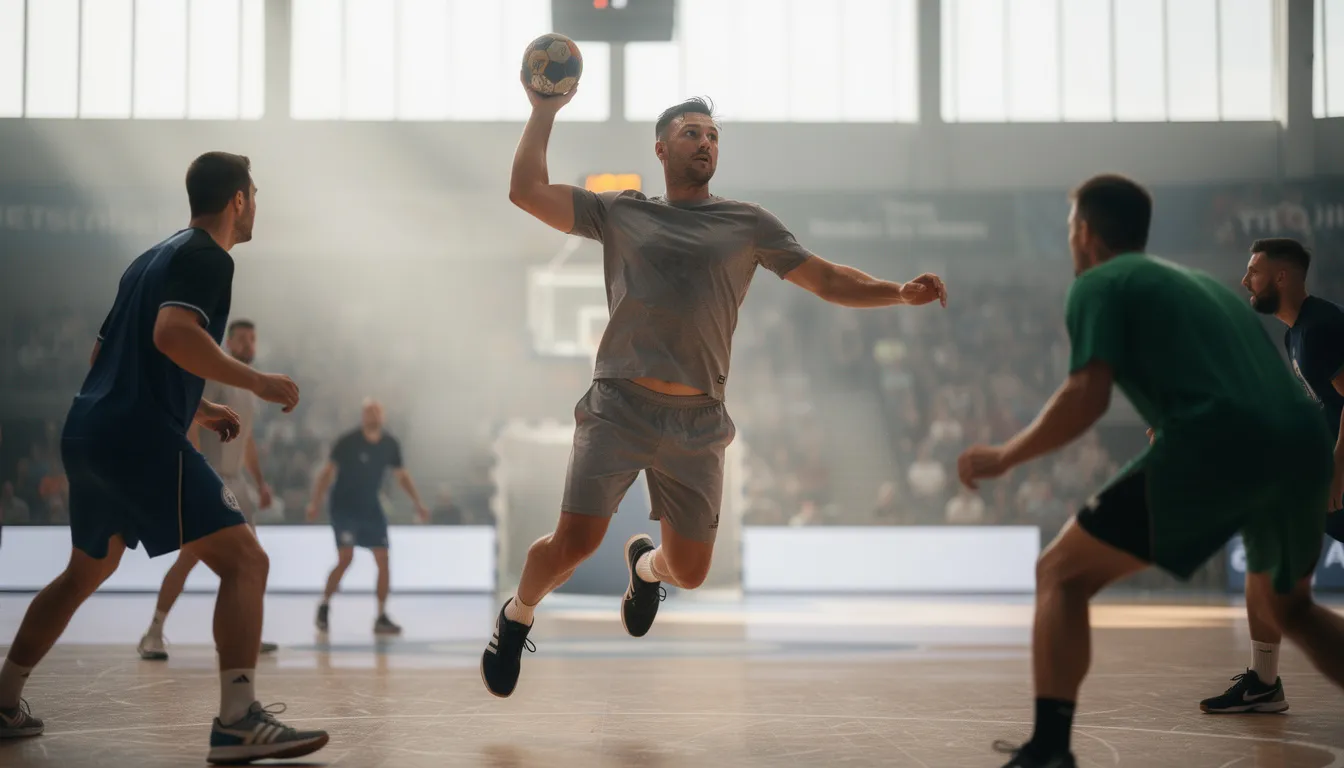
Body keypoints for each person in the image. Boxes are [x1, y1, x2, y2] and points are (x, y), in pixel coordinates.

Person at [481, 83, 947, 699]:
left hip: (698, 418)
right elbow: (526, 191)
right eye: (692, 132)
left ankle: (646, 570)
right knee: (576, 542)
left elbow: (829, 279)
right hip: (619, 405)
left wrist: (897, 291)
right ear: (661, 147)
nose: (705, 142)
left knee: (692, 573)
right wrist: (543, 110)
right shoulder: (621, 211)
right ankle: (516, 617)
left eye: (713, 135)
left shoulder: (748, 223)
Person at [957, 174, 1344, 768]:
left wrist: (1006, 455)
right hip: (1300, 449)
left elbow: (1086, 396)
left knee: (1059, 574)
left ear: (1084, 233)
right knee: (1292, 610)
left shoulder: (1098, 284)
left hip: (1223, 446)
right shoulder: (1200, 288)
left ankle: (1050, 751)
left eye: (1069, 229)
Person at [0, 152, 329, 764]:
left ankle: (3, 699)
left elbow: (110, 358)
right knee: (246, 562)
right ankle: (237, 720)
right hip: (139, 438)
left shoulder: (148, 259)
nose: (256, 205)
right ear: (237, 200)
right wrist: (254, 383)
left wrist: (199, 407)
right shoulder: (209, 257)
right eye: (254, 194)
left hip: (90, 432)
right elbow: (173, 335)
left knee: (84, 573)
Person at [1192, 238, 1344, 714]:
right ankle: (1263, 681)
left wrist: (1339, 466)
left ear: (1282, 277)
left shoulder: (1320, 326)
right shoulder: (1294, 333)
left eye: (1253, 271)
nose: (1244, 280)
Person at [137, 319, 280, 661]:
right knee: (189, 558)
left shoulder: (249, 387)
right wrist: (197, 471)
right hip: (212, 479)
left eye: (252, 338)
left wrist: (259, 483)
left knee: (252, 562)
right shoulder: (217, 378)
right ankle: (152, 633)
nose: (247, 344)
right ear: (229, 343)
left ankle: (248, 634)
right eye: (241, 338)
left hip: (239, 485)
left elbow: (246, 443)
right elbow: (193, 421)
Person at [306, 399, 428, 635]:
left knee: (383, 559)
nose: (372, 416)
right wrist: (315, 503)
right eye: (368, 412)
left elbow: (402, 476)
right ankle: (324, 604)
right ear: (363, 417)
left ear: (383, 417)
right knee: (346, 558)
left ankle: (381, 616)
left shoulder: (390, 444)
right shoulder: (347, 442)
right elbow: (326, 474)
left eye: (376, 412)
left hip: (371, 507)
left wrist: (418, 503)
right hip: (344, 507)